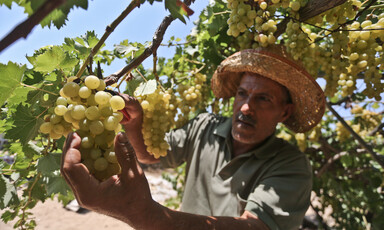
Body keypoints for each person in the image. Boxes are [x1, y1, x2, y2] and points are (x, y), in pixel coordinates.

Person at [61, 45, 325, 230]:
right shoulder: (205, 126)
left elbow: (255, 228)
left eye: (263, 98)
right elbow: (154, 157)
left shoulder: (291, 165)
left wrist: (146, 216)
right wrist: (135, 125)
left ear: (285, 111)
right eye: (242, 94)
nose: (246, 107)